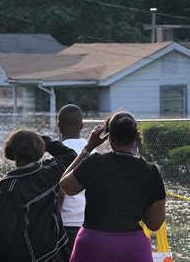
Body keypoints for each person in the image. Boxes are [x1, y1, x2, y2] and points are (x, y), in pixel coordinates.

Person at [60, 111, 166, 262]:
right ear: (136, 136)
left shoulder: (94, 163)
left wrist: (88, 147)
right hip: (132, 248)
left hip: (93, 244)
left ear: (109, 138)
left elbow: (65, 185)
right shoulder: (150, 171)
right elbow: (154, 224)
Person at [0, 129, 77, 261]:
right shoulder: (50, 172)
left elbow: (3, 232)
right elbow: (70, 155)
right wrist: (46, 142)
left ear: (12, 152)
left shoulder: (10, 186)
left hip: (25, 256)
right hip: (55, 252)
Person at [56, 104, 89, 261]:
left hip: (64, 224)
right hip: (90, 224)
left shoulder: (55, 155)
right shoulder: (94, 154)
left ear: (59, 127)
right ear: (82, 125)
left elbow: (58, 194)